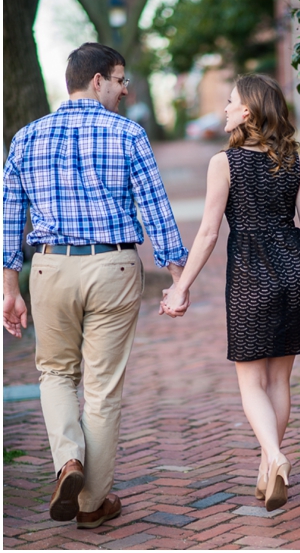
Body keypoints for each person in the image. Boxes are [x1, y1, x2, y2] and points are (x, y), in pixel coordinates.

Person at [2, 43, 189, 528]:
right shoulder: (128, 134)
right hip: (113, 266)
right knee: (103, 389)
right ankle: (92, 505)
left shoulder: (26, 138)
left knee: (56, 374)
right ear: (97, 80)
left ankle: (69, 461)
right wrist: (177, 278)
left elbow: (8, 219)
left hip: (49, 268)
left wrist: (9, 287)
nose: (127, 90)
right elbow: (156, 209)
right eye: (121, 80)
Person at [160, 73, 300, 511]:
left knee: (249, 381)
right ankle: (266, 468)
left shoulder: (224, 163)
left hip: (250, 274)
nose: (224, 109)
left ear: (248, 112)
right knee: (279, 379)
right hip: (295, 270)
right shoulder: (296, 160)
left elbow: (206, 233)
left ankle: (275, 456)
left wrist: (181, 287)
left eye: (231, 101)